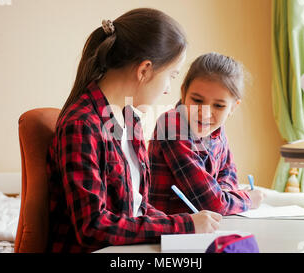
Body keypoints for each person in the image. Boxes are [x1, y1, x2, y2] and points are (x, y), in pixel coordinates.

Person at [46, 8, 221, 253]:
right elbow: (92, 227)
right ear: (144, 70)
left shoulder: (130, 120)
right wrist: (183, 225)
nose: (169, 89)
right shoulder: (83, 125)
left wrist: (183, 227)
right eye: (171, 75)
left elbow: (137, 207)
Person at [148, 52, 265, 215]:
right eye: (197, 100)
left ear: (233, 107)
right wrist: (248, 199)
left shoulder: (216, 129)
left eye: (218, 106)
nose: (205, 114)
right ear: (183, 93)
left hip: (204, 226)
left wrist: (224, 195)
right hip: (171, 230)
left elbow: (228, 173)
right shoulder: (172, 126)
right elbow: (213, 204)